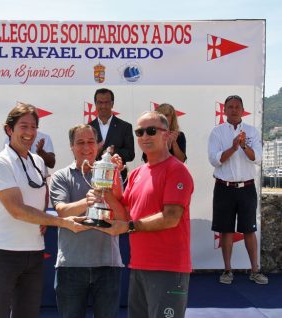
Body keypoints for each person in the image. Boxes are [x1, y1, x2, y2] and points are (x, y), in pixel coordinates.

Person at [0, 103, 86, 318]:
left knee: (27, 313)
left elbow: (42, 190)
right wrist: (60, 222)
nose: (29, 132)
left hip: (34, 251)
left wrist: (43, 217)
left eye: (33, 127)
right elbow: (17, 210)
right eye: (23, 126)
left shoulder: (37, 161)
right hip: (2, 252)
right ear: (9, 130)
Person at [93, 111, 194, 318]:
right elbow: (124, 217)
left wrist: (129, 227)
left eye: (151, 131)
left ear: (167, 135)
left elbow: (171, 218)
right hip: (139, 265)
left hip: (168, 267)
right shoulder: (137, 173)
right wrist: (107, 188)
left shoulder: (177, 171)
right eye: (139, 132)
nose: (144, 136)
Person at [49, 124, 124, 318]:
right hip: (71, 266)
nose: (86, 147)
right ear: (71, 146)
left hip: (108, 265)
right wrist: (87, 201)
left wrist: (108, 190)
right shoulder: (60, 176)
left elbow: (123, 217)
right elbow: (62, 212)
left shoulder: (112, 173)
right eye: (80, 142)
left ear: (99, 145)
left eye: (90, 142)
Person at [207, 95, 268, 285]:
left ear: (243, 110)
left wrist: (243, 145)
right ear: (224, 110)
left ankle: (255, 271)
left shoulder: (252, 131)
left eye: (237, 107)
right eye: (230, 107)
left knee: (249, 230)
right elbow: (215, 160)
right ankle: (227, 270)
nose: (234, 110)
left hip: (247, 188)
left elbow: (256, 158)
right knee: (226, 231)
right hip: (224, 188)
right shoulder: (217, 132)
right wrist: (234, 147)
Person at [88, 88, 134, 182]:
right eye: (100, 102)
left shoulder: (125, 127)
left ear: (112, 104)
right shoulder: (88, 128)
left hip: (117, 179)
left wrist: (113, 151)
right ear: (95, 104)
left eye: (107, 102)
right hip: (94, 178)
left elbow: (130, 154)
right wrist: (97, 149)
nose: (103, 106)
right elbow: (83, 156)